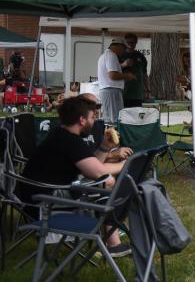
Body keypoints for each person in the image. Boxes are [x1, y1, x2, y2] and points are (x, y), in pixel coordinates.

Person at [19, 94, 133, 257]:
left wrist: (104, 147)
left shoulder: (61, 134)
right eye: (92, 117)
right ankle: (113, 243)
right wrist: (126, 165)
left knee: (104, 184)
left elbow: (92, 166)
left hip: (36, 195)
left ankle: (112, 242)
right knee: (112, 185)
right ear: (82, 120)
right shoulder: (70, 141)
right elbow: (99, 173)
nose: (94, 122)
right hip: (44, 203)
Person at [97, 38, 134, 124]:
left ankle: (109, 137)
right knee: (116, 119)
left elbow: (111, 71)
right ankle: (115, 137)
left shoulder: (105, 55)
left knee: (109, 120)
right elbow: (112, 75)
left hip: (107, 91)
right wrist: (127, 76)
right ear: (119, 46)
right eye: (124, 48)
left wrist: (123, 65)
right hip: (112, 91)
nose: (124, 51)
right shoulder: (111, 55)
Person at [119, 33, 150, 108]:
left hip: (138, 94)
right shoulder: (120, 55)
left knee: (136, 116)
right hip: (123, 93)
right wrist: (124, 64)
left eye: (132, 42)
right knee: (124, 116)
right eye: (128, 42)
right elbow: (112, 71)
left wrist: (148, 90)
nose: (130, 45)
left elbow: (145, 74)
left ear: (136, 43)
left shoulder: (141, 56)